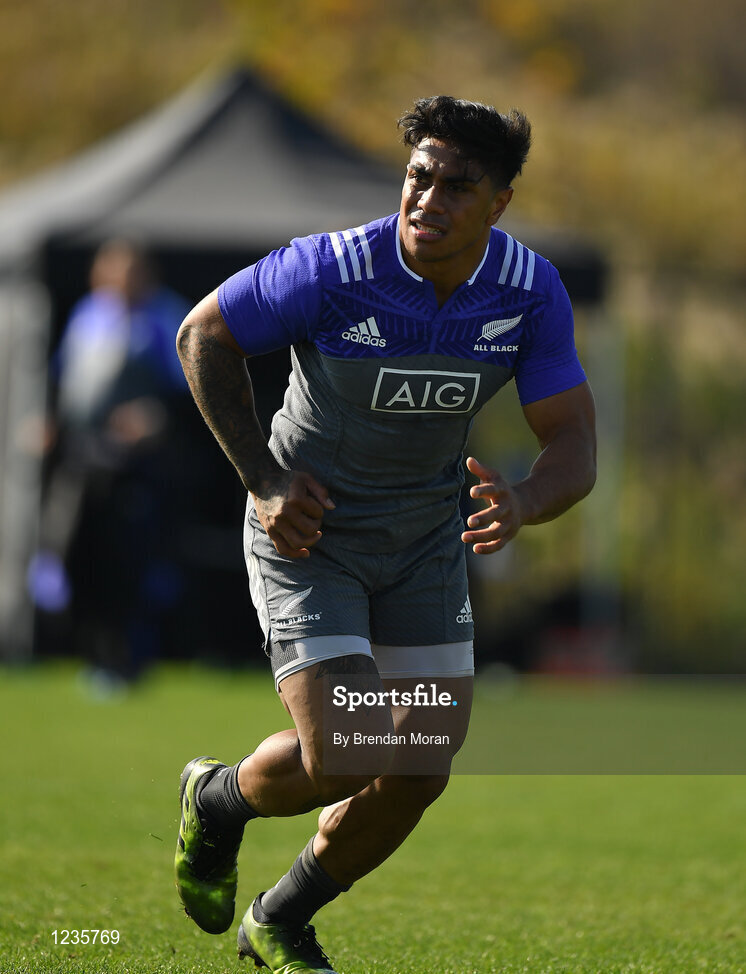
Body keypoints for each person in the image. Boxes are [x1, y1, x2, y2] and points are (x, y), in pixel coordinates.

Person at [174, 96, 596, 972]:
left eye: (456, 185)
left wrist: (524, 501)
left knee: (420, 767)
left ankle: (280, 920)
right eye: (418, 177)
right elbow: (203, 335)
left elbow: (574, 441)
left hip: (423, 545)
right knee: (349, 751)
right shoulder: (330, 268)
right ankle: (216, 799)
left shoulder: (529, 291)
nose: (428, 200)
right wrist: (263, 480)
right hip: (309, 533)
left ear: (498, 204)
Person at [38, 239, 189, 685]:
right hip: (84, 457)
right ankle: (90, 654)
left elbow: (188, 394)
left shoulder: (165, 317)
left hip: (138, 466)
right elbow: (64, 379)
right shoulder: (88, 315)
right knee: (76, 552)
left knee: (130, 564)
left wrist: (155, 418)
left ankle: (130, 661)